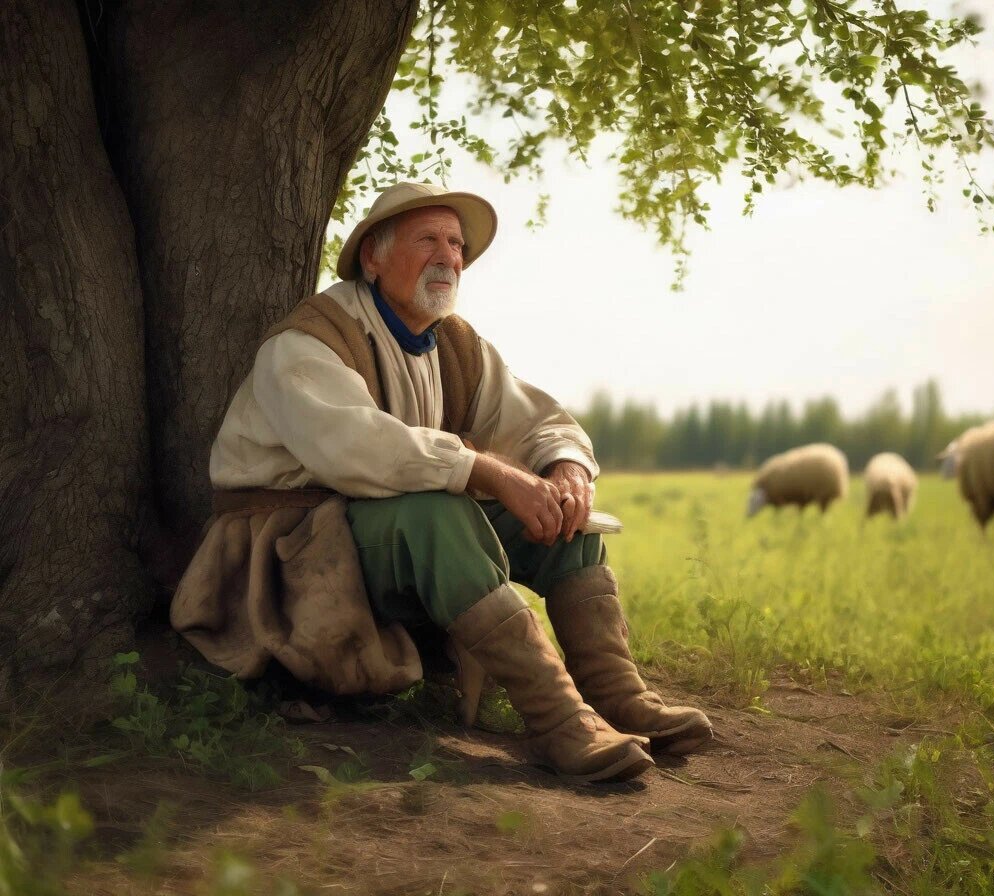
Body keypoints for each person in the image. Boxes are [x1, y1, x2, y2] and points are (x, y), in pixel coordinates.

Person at [171, 182, 712, 783]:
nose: (448, 256)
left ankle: (618, 696)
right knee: (440, 514)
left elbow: (536, 419)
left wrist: (565, 468)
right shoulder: (308, 342)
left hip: (380, 533)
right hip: (296, 547)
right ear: (373, 257)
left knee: (567, 524)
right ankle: (560, 722)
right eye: (428, 239)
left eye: (456, 244)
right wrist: (487, 472)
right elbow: (357, 449)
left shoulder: (452, 343)